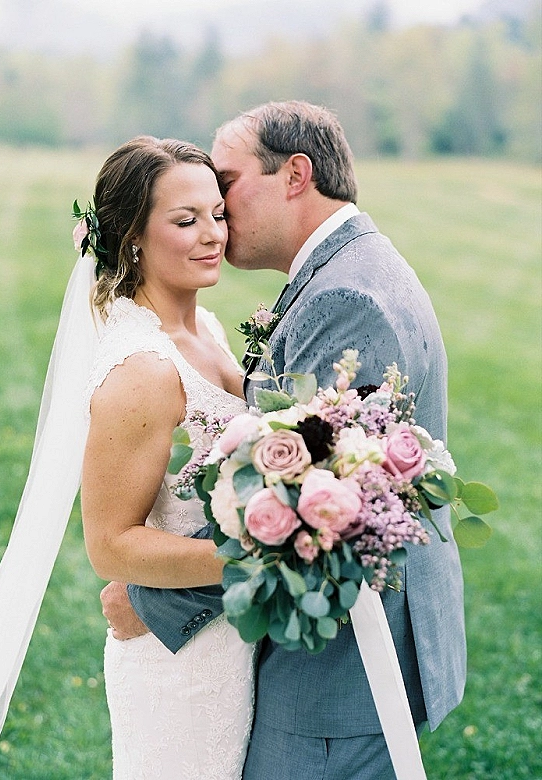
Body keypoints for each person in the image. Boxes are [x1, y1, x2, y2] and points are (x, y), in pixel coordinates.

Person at [105, 101, 466, 779]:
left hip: (343, 665)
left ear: (295, 175)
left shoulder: (344, 299)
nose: (218, 210)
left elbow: (311, 506)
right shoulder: (350, 267)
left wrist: (152, 598)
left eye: (227, 183)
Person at [0, 136, 256, 780]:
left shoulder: (205, 329)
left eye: (217, 213)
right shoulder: (142, 370)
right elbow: (111, 546)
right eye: (185, 220)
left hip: (235, 635)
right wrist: (265, 561)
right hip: (180, 662)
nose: (213, 234)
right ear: (132, 238)